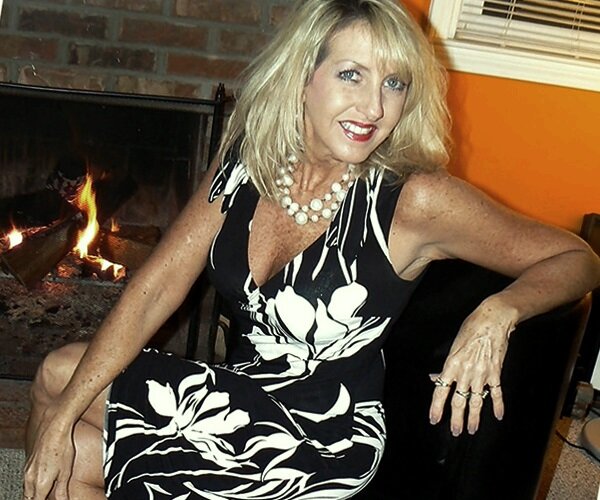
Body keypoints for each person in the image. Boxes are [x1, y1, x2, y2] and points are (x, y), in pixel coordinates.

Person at [22, 0, 600, 498]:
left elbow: (580, 259)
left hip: (321, 433)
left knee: (83, 429)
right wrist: (60, 421)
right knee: (60, 394)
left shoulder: (413, 199)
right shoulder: (248, 160)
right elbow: (154, 290)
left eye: (394, 84)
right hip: (240, 391)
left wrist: (499, 311)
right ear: (304, 75)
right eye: (352, 75)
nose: (374, 108)